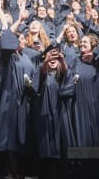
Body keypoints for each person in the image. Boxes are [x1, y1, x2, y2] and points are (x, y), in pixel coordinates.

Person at [0, 29, 36, 179]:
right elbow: (4, 40)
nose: (24, 41)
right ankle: (11, 171)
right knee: (11, 135)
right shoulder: (8, 57)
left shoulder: (27, 57)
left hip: (26, 100)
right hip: (11, 101)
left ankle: (22, 171)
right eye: (21, 39)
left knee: (23, 134)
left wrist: (31, 84)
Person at [31, 46, 74, 179]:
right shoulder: (43, 73)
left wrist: (62, 61)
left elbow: (68, 76)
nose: (53, 59)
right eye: (50, 56)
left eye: (56, 57)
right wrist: (45, 61)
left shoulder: (62, 74)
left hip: (61, 114)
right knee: (46, 147)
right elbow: (36, 86)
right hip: (46, 114)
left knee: (61, 145)